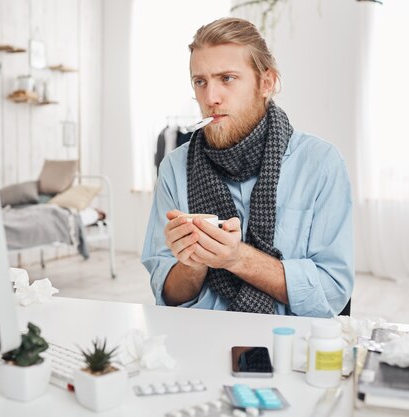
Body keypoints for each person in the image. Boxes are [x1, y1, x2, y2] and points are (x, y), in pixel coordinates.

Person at [141, 17, 354, 316]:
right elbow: (168, 296)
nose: (210, 98)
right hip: (198, 339)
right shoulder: (174, 168)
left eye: (227, 78)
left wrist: (236, 258)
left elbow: (332, 292)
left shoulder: (321, 164)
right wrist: (193, 263)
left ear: (266, 83)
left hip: (288, 345)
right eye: (200, 82)